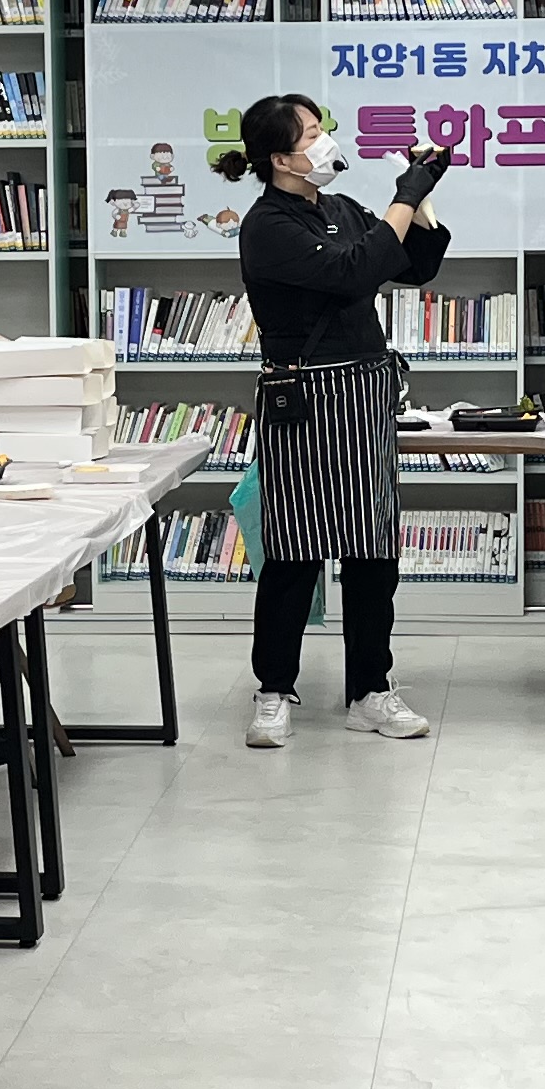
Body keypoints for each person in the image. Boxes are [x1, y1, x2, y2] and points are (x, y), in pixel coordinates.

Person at [217, 92, 449, 746]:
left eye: (323, 129)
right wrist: (404, 193)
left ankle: (371, 691)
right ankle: (273, 691)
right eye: (311, 134)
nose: (325, 142)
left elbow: (414, 264)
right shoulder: (266, 225)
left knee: (372, 553)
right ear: (279, 158)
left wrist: (422, 196)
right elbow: (354, 272)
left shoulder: (341, 209)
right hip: (302, 400)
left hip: (365, 396)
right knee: (294, 553)